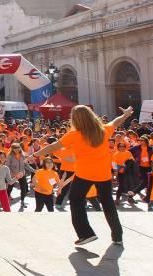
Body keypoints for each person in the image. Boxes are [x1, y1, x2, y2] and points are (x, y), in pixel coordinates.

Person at [34, 105, 132, 246]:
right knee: (108, 203)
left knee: (76, 200)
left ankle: (86, 233)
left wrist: (36, 154)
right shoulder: (103, 130)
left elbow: (54, 146)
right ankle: (117, 237)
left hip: (84, 174)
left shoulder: (74, 135)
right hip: (104, 174)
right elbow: (115, 122)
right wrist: (126, 115)